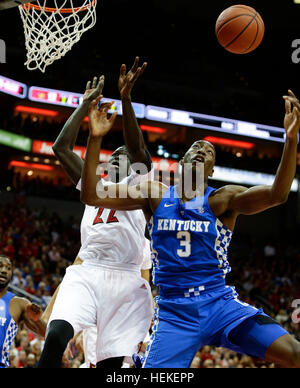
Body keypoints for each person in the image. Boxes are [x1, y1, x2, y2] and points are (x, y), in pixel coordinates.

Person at [81, 89, 300, 368]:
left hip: (219, 303)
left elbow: (277, 195)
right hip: (174, 312)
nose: (201, 150)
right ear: (181, 161)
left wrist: (291, 140)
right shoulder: (155, 195)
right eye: (195, 147)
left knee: (294, 353)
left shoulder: (222, 200)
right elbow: (92, 195)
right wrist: (95, 137)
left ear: (210, 170)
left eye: (209, 152)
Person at [38, 57, 153, 369]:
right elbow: (61, 149)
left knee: (110, 368)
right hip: (88, 271)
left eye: (122, 155)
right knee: (56, 337)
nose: (116, 157)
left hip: (126, 280)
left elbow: (139, 149)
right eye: (111, 155)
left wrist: (126, 99)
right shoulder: (93, 185)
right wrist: (84, 104)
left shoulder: (141, 188)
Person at [0, 255, 46, 368]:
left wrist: (37, 320)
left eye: (8, 268)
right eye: (0, 266)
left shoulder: (19, 303)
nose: (4, 271)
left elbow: (45, 333)